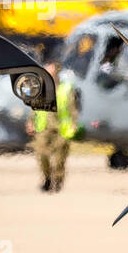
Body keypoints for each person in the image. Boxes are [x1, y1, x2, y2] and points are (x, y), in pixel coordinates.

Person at [29, 61, 78, 192]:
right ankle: (47, 178)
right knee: (42, 155)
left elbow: (73, 109)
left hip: (61, 129)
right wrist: (30, 121)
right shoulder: (41, 88)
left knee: (60, 159)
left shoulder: (66, 88)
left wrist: (74, 124)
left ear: (57, 73)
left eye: (50, 72)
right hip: (44, 128)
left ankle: (58, 180)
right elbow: (34, 106)